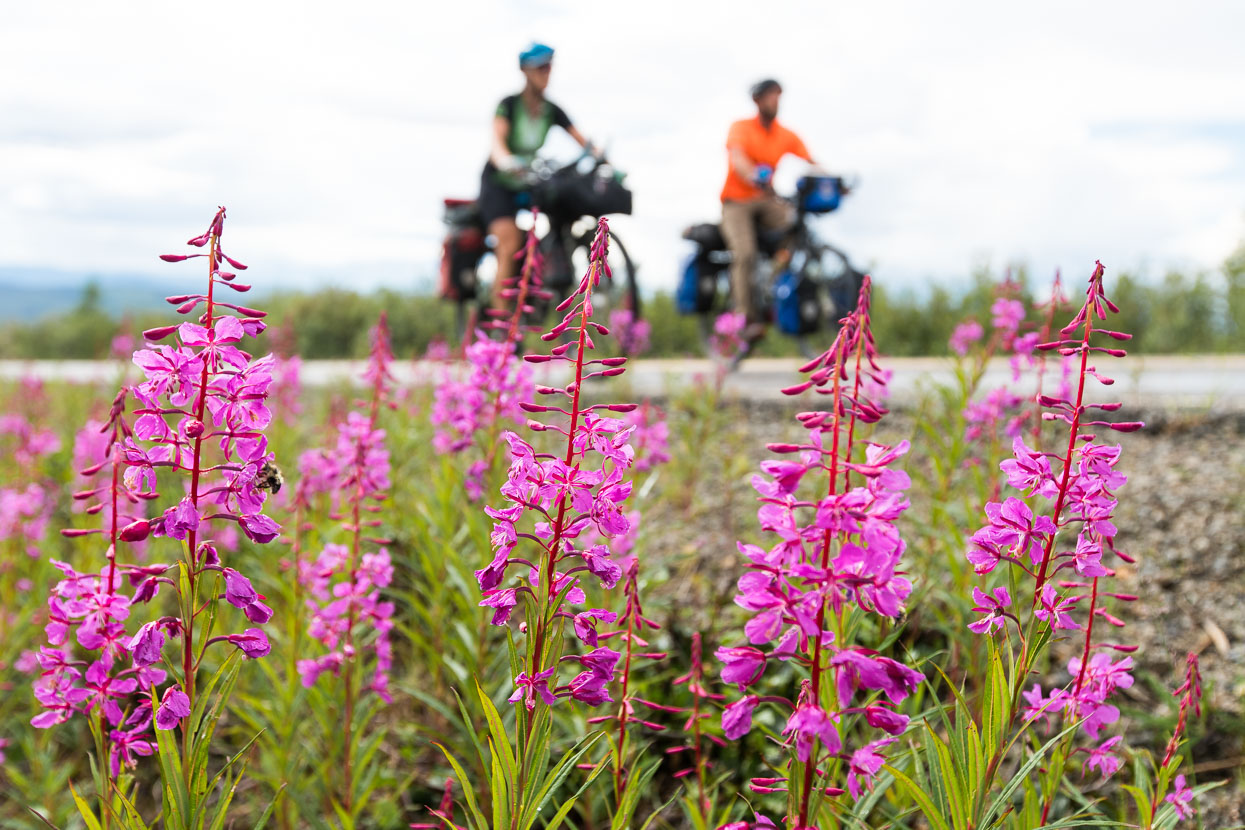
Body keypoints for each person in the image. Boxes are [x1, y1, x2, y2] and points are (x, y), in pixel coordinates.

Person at [480, 42, 596, 302]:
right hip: (499, 182)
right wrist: (506, 160)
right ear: (525, 71)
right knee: (510, 242)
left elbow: (583, 141)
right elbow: (497, 141)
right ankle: (501, 325)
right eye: (541, 67)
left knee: (560, 215)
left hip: (529, 181)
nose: (547, 72)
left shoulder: (551, 110)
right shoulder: (508, 105)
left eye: (549, 66)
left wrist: (603, 160)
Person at [719, 79, 821, 343]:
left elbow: (811, 162)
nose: (776, 101)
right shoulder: (740, 128)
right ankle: (744, 317)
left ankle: (771, 281)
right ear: (757, 100)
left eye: (778, 96)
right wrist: (753, 174)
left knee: (795, 225)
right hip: (736, 202)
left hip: (767, 200)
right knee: (745, 253)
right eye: (770, 96)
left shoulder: (785, 134)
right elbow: (738, 158)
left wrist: (833, 181)